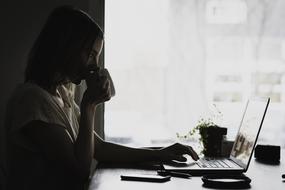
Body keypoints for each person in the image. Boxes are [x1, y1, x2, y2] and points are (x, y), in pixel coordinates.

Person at [5, 5, 199, 190]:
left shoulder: (61, 95)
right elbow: (79, 169)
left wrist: (160, 153)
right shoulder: (32, 100)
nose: (95, 65)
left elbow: (99, 148)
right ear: (66, 47)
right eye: (90, 54)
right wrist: (89, 105)